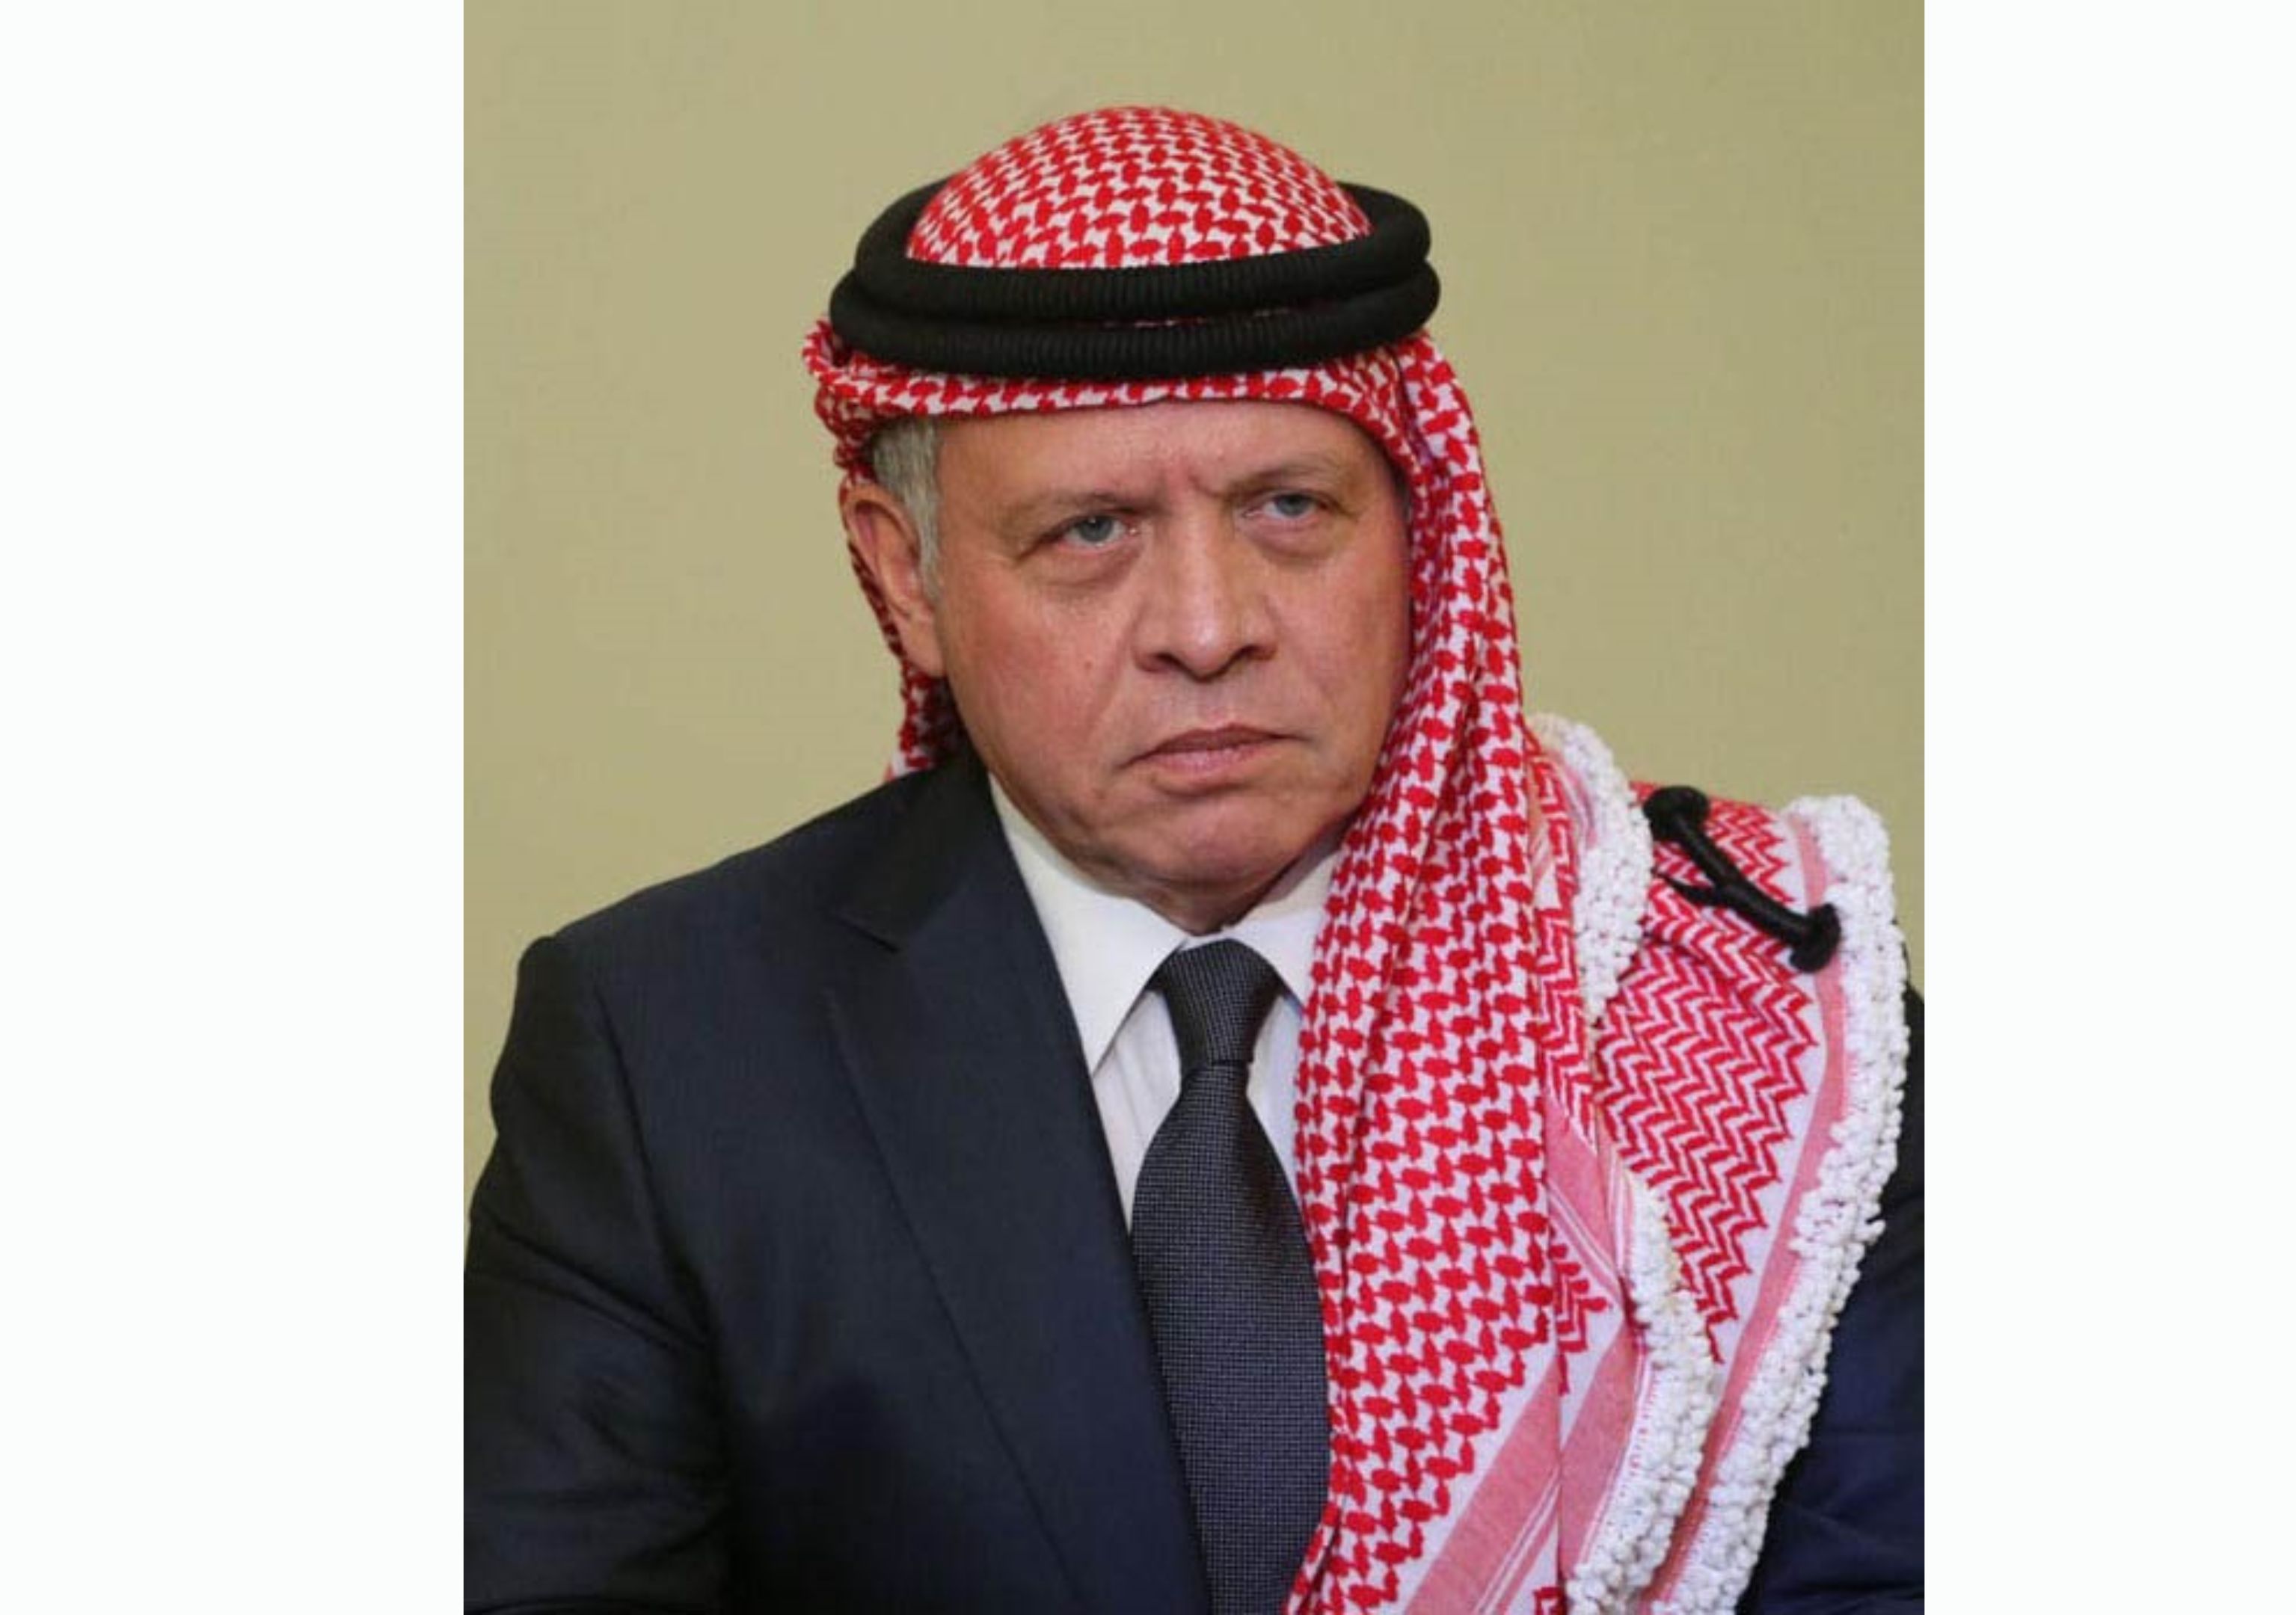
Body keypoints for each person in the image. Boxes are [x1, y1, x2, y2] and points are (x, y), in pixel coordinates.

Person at [466, 106, 1920, 1614]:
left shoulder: (1755, 1001)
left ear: (1416, 531)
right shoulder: (668, 1053)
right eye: (1090, 532)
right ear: (907, 578)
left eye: (1291, 509)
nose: (1210, 628)